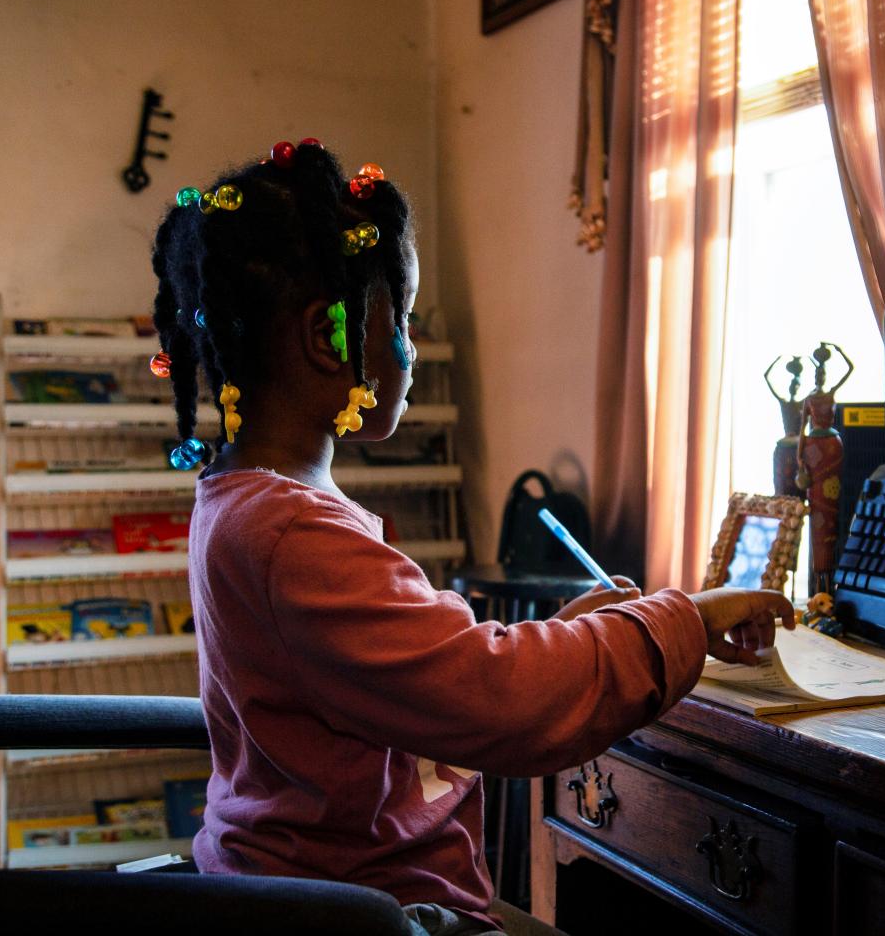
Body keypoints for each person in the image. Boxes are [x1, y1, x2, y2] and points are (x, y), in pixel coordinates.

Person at [149, 140, 793, 936]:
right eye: (405, 319)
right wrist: (683, 620)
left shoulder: (246, 500)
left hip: (301, 881)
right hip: (371, 910)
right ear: (329, 336)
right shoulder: (292, 535)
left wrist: (562, 637)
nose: (410, 352)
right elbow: (500, 705)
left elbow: (420, 683)